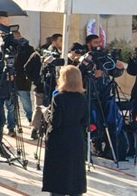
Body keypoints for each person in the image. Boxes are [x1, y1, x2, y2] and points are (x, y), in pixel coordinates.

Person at [42, 65, 88, 196]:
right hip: (76, 138)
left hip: (59, 140)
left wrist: (46, 113)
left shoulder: (58, 98)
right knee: (74, 172)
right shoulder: (82, 98)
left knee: (58, 175)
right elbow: (85, 121)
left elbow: (56, 122)